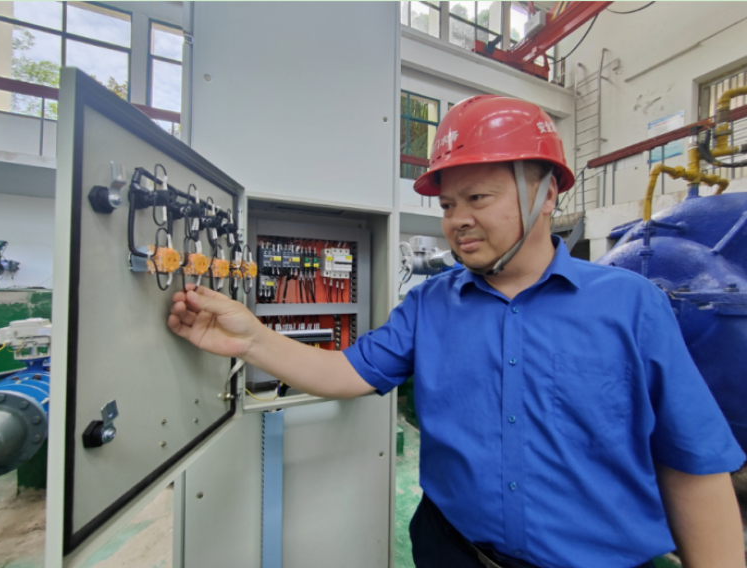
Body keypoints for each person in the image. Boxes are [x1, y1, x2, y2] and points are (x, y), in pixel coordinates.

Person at [168, 95, 746, 568]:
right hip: (450, 551)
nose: (457, 220)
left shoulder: (631, 305)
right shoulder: (430, 305)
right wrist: (251, 340)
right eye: (448, 204)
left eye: (477, 198)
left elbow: (693, 465)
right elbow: (345, 371)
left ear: (546, 193)